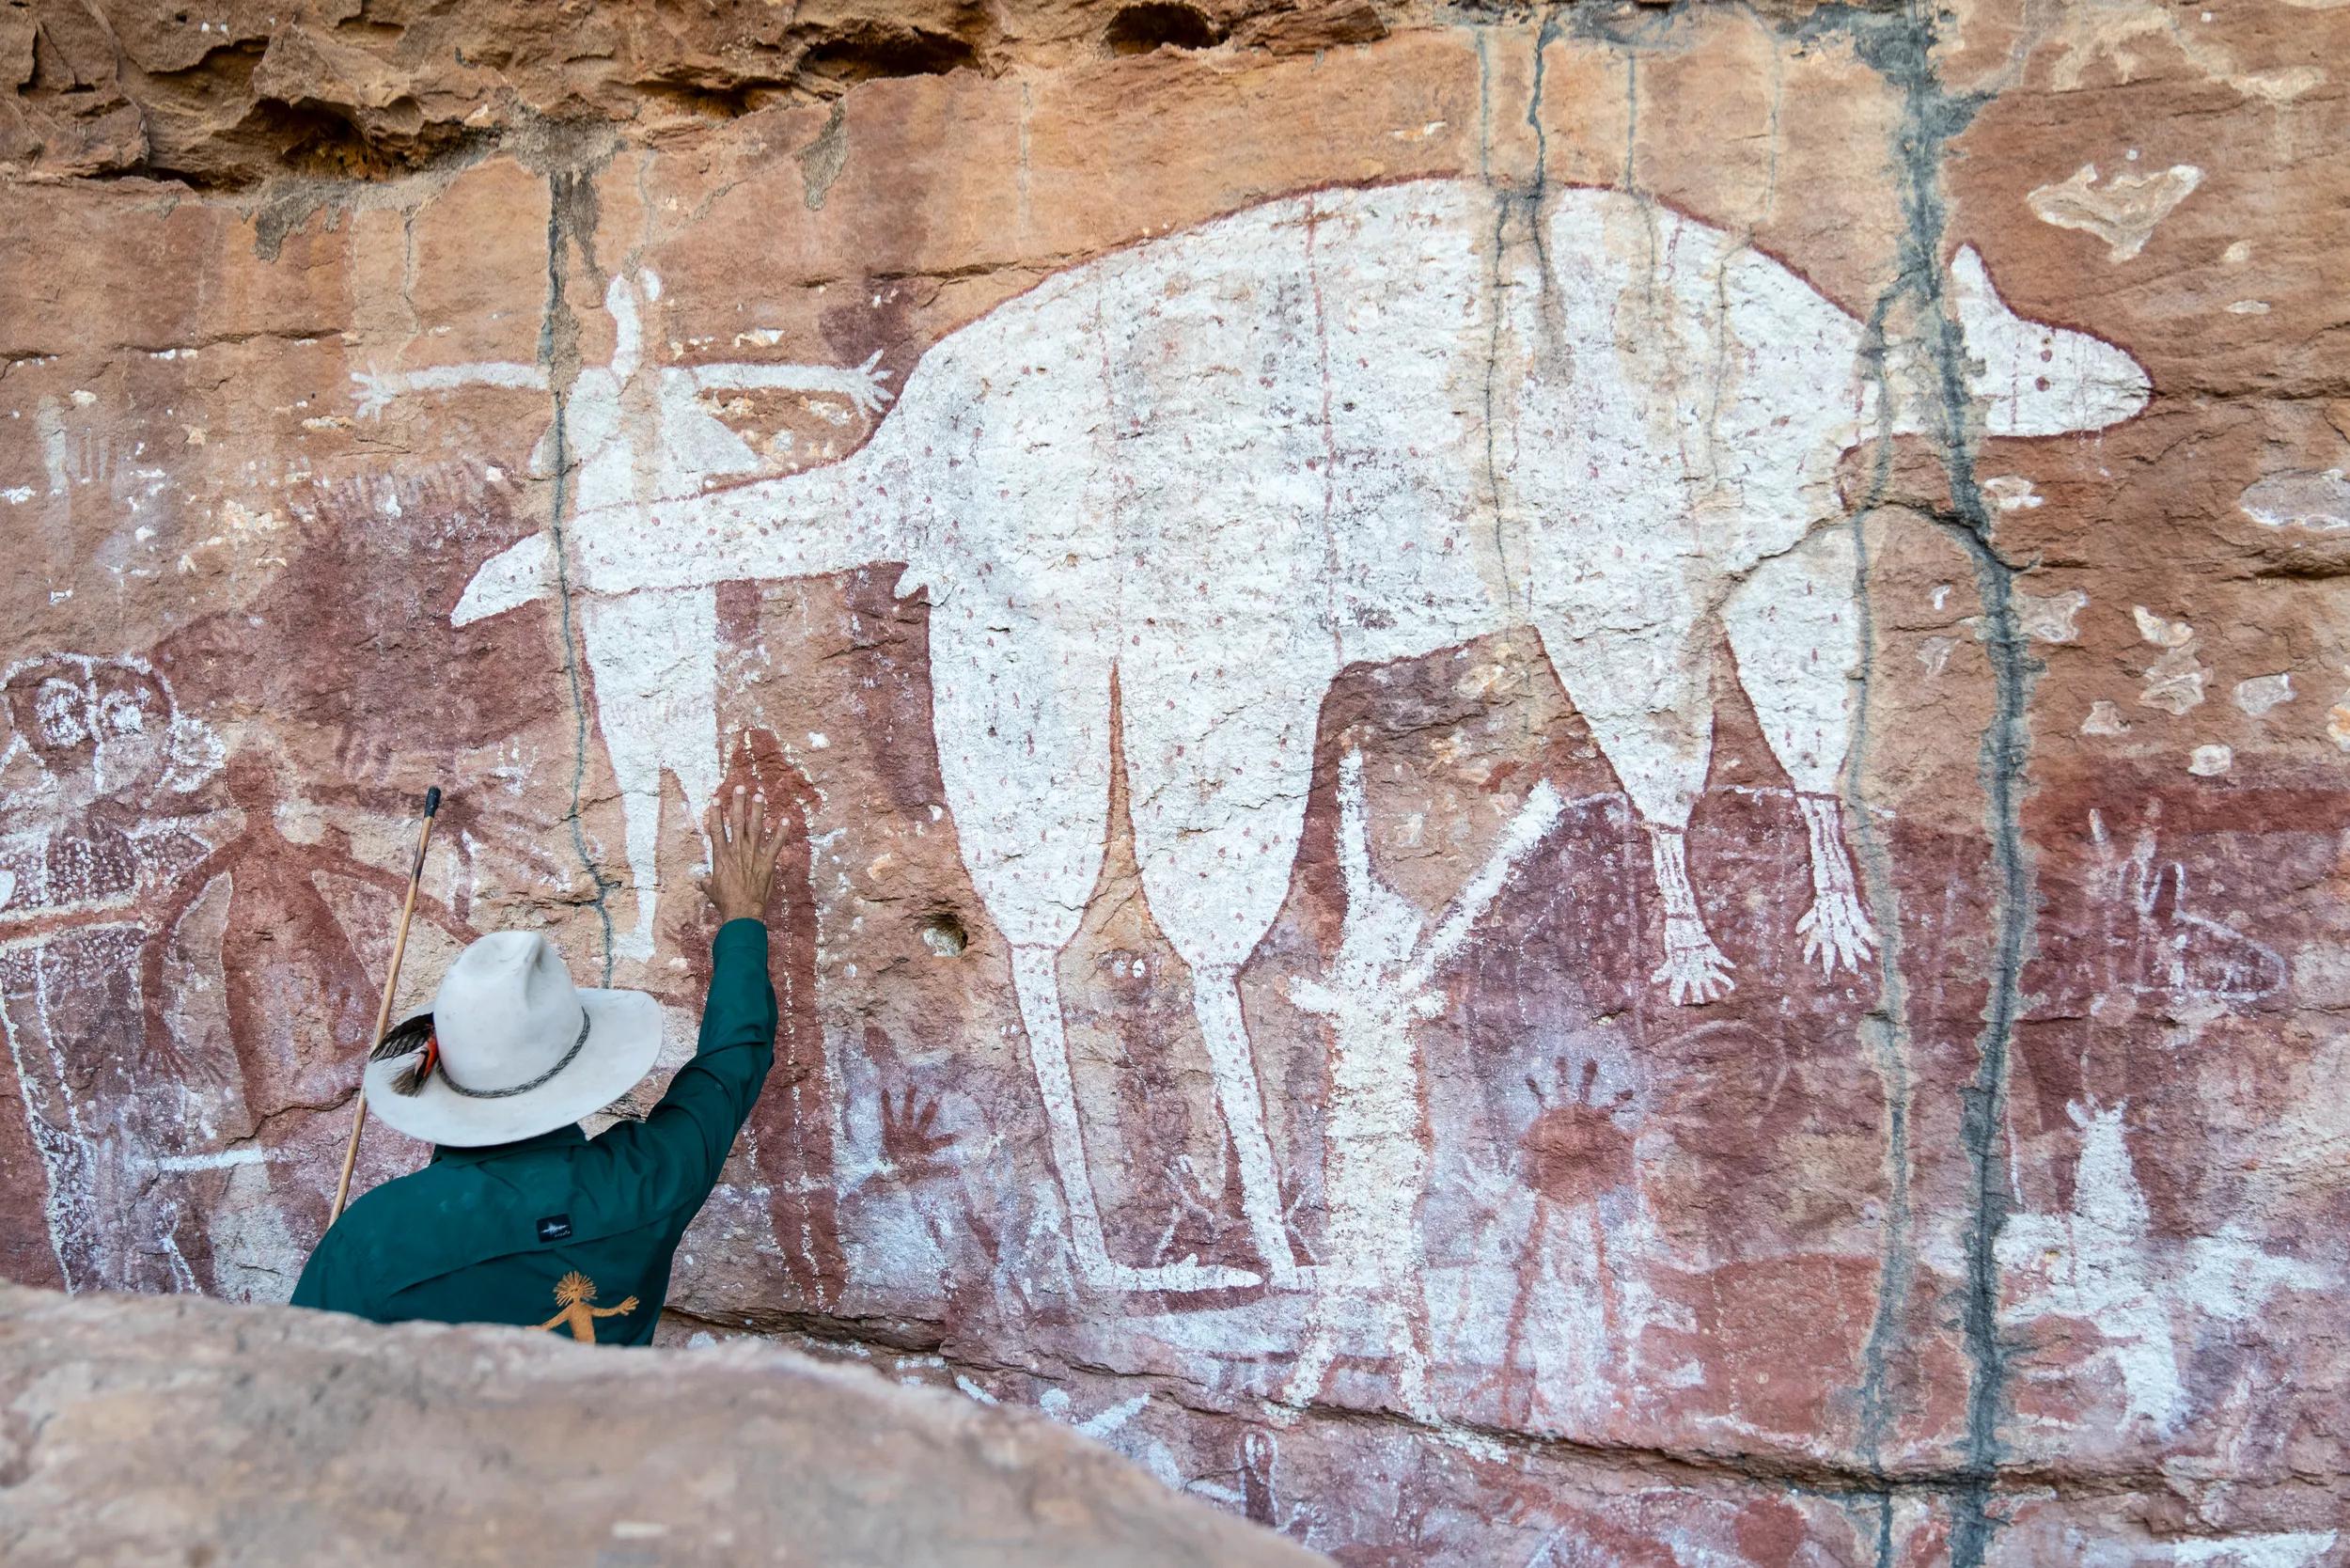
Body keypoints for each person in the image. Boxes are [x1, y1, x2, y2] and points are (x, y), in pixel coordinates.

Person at [290, 786, 790, 1344]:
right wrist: (743, 918)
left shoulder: (370, 1239)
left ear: (436, 1069)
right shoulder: (645, 1179)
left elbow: (298, 1376)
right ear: (579, 1065)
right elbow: (733, 1060)